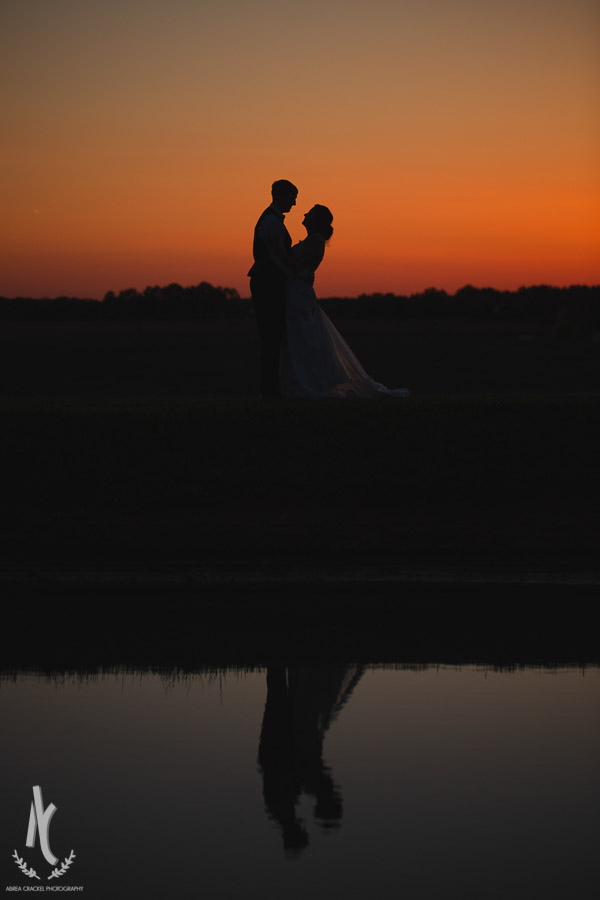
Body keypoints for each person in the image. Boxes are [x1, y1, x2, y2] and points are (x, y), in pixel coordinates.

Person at [281, 204, 410, 398]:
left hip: (299, 293)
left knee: (304, 340)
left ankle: (308, 382)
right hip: (297, 291)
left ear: (315, 220)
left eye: (309, 213)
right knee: (303, 339)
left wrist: (276, 255)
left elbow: (297, 265)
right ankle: (302, 380)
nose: (305, 214)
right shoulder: (313, 239)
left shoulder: (315, 240)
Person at [248, 179, 299, 398]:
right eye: (293, 198)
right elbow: (278, 256)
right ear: (281, 196)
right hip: (268, 283)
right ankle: (270, 389)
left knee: (273, 336)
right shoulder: (271, 221)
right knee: (270, 336)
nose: (295, 204)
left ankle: (271, 387)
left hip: (269, 282)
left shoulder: (272, 220)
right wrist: (299, 273)